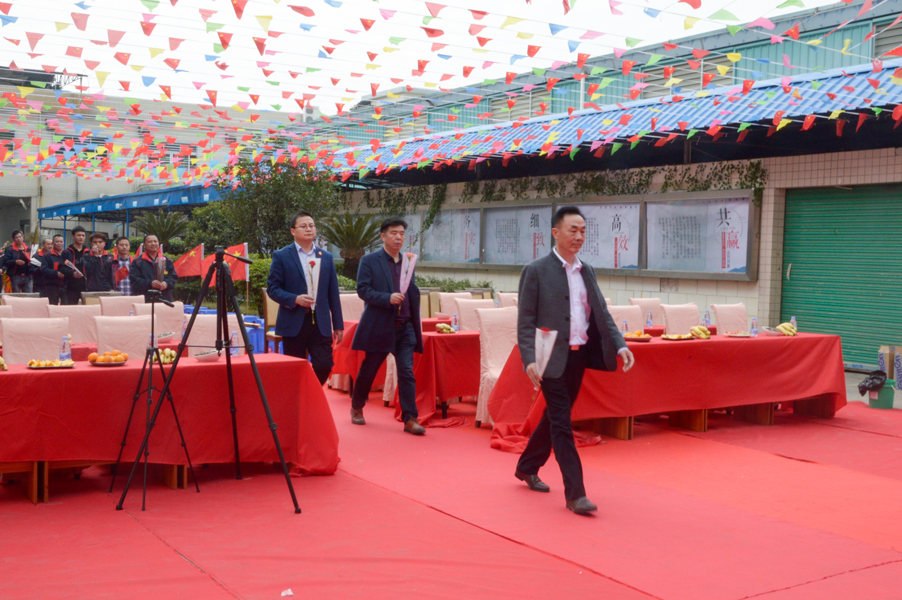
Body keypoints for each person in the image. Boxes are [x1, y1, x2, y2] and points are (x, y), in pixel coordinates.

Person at [514, 206, 635, 516]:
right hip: (550, 357)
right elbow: (525, 320)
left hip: (579, 356)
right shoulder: (536, 270)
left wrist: (620, 345)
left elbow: (602, 313)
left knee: (556, 416)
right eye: (573, 230)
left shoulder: (586, 270)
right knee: (562, 423)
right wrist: (529, 359)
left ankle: (527, 466)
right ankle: (575, 494)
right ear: (555, 232)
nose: (579, 236)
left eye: (583, 231)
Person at [349, 217, 425, 435]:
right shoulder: (370, 261)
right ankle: (357, 406)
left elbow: (410, 289)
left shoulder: (408, 261)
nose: (398, 237)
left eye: (402, 233)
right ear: (383, 236)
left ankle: (410, 418)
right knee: (369, 369)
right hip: (380, 326)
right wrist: (387, 298)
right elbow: (363, 290)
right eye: (394, 233)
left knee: (406, 372)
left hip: (405, 326)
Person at [266, 211, 344, 385]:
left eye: (311, 226)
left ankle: (310, 392)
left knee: (324, 365)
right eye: (303, 226)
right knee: (294, 369)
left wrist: (338, 324)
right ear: (293, 231)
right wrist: (295, 299)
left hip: (320, 322)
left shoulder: (326, 257)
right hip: (294, 321)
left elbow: (333, 293)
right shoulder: (282, 255)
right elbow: (273, 288)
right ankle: (300, 398)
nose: (309, 229)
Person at [130, 234, 178, 302]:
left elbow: (173, 277)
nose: (153, 243)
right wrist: (150, 283)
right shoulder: (138, 262)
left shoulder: (167, 261)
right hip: (145, 299)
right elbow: (134, 280)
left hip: (164, 299)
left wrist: (167, 283)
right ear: (144, 245)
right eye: (150, 242)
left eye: (155, 241)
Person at [41, 234, 70, 305]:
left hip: (65, 286)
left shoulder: (67, 254)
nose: (59, 243)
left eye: (61, 242)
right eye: (57, 241)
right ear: (53, 243)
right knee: (52, 306)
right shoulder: (47, 255)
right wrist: (56, 273)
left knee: (66, 306)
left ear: (63, 243)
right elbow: (44, 269)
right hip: (52, 286)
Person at [62, 225, 87, 305]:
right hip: (71, 286)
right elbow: (62, 268)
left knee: (87, 308)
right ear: (73, 236)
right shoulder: (66, 252)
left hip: (85, 286)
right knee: (71, 307)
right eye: (78, 235)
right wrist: (72, 273)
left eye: (83, 235)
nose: (81, 237)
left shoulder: (88, 252)